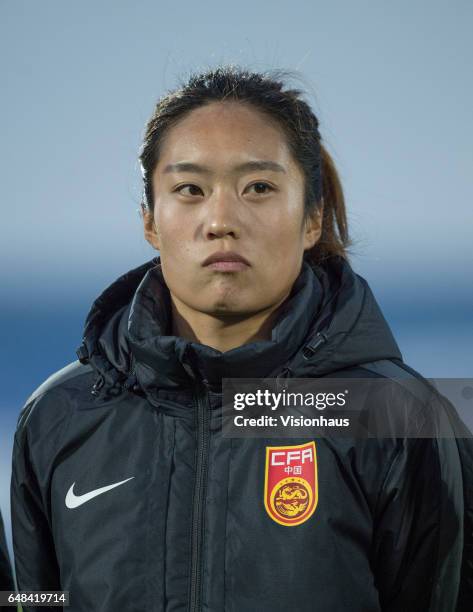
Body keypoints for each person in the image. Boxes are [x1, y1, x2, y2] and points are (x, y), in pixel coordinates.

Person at [10, 66, 472, 612]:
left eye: (258, 187)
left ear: (312, 219)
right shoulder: (59, 414)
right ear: (150, 221)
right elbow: (32, 600)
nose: (221, 219)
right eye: (189, 189)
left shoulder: (395, 414)